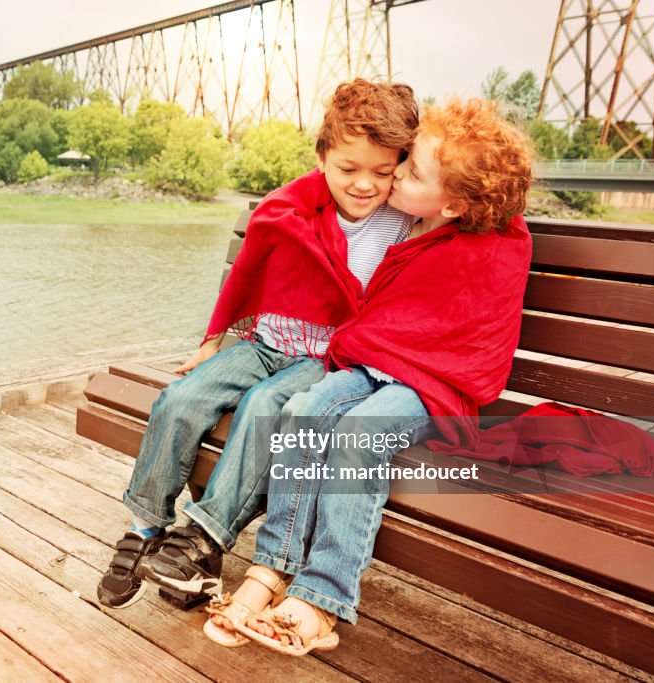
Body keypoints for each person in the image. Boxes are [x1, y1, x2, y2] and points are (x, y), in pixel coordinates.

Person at [204, 98, 534, 654]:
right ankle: (273, 566)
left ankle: (323, 597)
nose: (397, 173)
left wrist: (483, 177)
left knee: (358, 433)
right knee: (302, 411)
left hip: (432, 389)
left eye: (410, 170)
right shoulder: (414, 222)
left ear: (455, 202)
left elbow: (470, 333)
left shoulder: (490, 244)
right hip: (375, 364)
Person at [96, 79, 420, 609]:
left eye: (382, 173)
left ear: (401, 167)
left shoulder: (404, 223)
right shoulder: (292, 207)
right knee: (182, 399)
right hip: (264, 342)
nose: (364, 185)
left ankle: (204, 541)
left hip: (325, 360)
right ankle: (145, 524)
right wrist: (213, 341)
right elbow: (247, 277)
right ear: (322, 157)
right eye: (347, 169)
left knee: (262, 406)